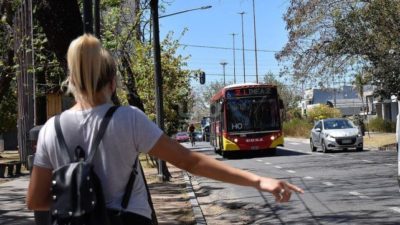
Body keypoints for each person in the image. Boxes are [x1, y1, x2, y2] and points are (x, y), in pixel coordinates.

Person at [26, 34, 303, 224]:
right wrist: (258, 181)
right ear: (112, 83)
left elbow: (36, 201)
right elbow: (190, 161)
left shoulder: (51, 130)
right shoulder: (128, 119)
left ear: (71, 82)